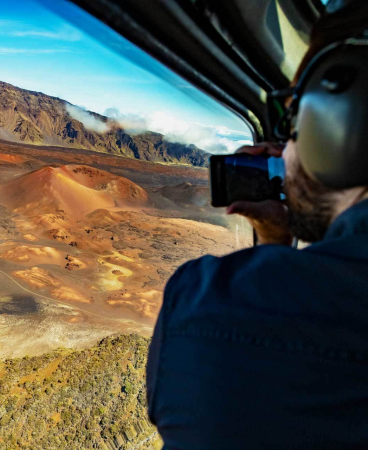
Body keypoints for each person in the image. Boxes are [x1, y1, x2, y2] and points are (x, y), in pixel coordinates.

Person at [146, 1, 368, 448]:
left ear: (340, 118)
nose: (283, 149)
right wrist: (275, 239)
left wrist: (271, 256)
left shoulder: (212, 312)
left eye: (293, 121)